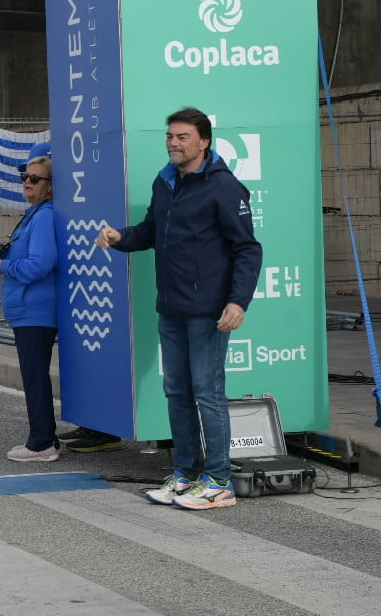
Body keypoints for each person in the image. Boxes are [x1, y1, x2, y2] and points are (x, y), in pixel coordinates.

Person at [96, 107, 262, 511]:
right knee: (177, 392)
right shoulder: (164, 182)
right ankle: (186, 474)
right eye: (170, 136)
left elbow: (247, 249)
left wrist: (238, 302)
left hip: (209, 312)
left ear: (203, 141)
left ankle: (219, 480)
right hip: (171, 308)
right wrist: (121, 238)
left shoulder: (224, 187)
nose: (173, 142)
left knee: (208, 393)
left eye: (183, 137)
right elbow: (152, 230)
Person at [0, 156, 61, 461]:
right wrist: (5, 250)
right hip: (27, 307)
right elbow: (29, 255)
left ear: (51, 187)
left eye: (35, 179)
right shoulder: (34, 213)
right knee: (33, 375)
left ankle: (42, 443)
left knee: (34, 375)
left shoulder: (44, 216)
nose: (27, 182)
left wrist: (5, 264)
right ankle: (44, 438)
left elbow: (41, 263)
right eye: (25, 177)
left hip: (35, 308)